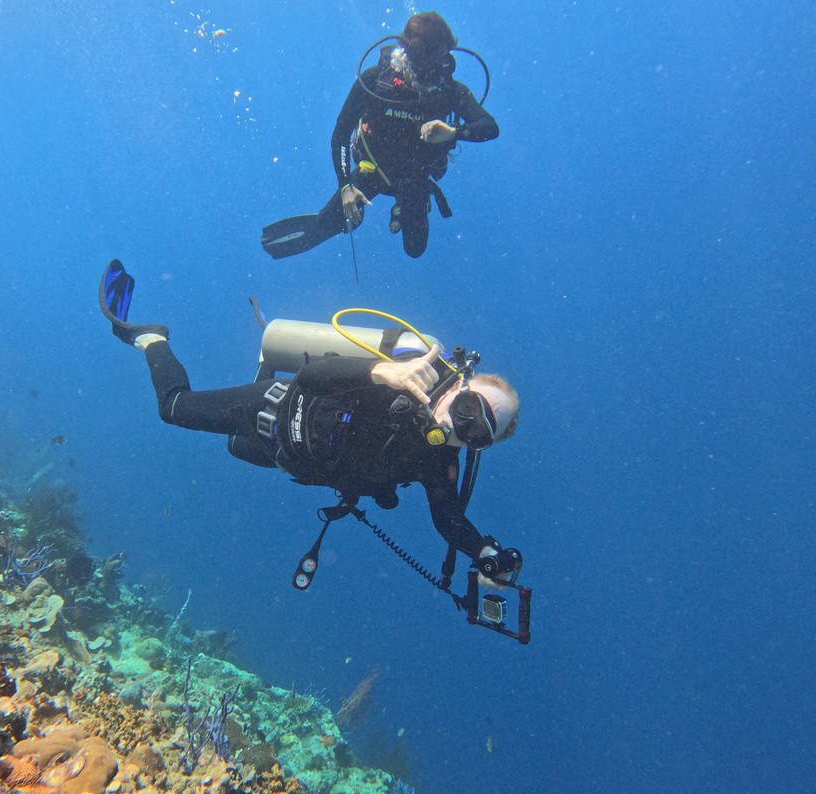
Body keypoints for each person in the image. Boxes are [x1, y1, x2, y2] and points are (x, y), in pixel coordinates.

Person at [100, 259, 523, 590]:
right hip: (274, 406)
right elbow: (311, 376)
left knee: (234, 447)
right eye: (469, 406)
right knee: (174, 408)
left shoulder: (439, 461)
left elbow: (447, 518)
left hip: (289, 457)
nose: (460, 425)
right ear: (460, 384)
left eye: (478, 433)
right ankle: (152, 337)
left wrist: (485, 553)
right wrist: (382, 373)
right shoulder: (407, 372)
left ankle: (260, 368)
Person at [262, 11, 500, 260]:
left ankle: (401, 208)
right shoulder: (374, 81)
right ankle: (326, 220)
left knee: (415, 249)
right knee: (330, 225)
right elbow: (341, 133)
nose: (421, 75)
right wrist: (346, 187)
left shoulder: (449, 91)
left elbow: (489, 127)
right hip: (371, 171)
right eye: (417, 63)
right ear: (405, 53)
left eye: (432, 64)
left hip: (413, 179)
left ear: (443, 58)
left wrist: (452, 133)